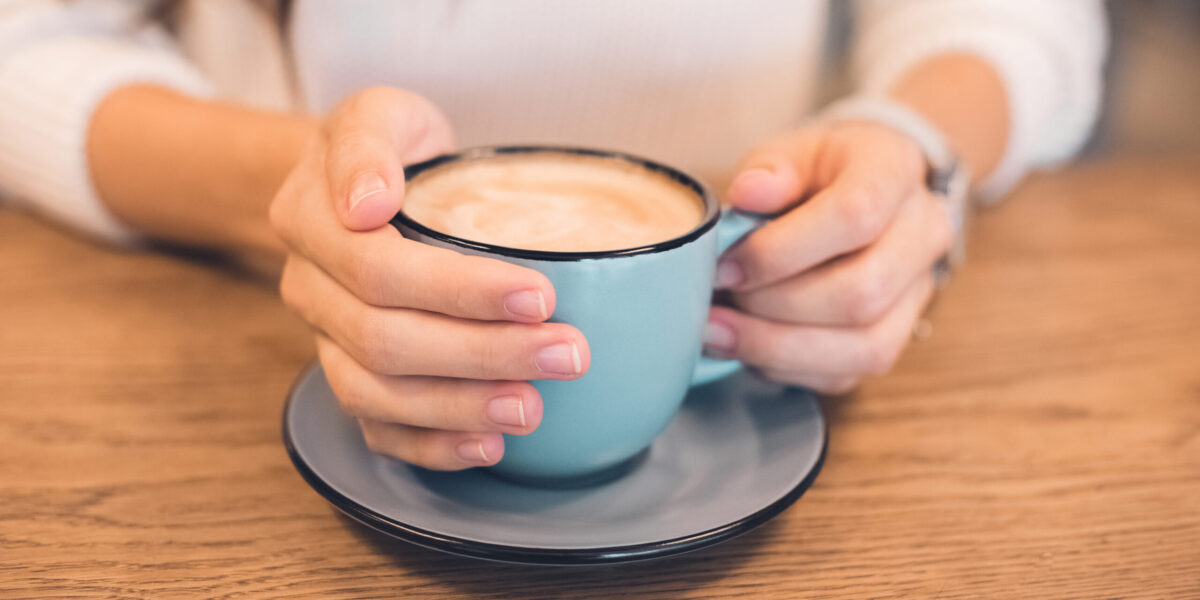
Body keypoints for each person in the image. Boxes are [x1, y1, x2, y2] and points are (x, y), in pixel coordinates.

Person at [0, 1, 1107, 470]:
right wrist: (294, 191)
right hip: (260, 352)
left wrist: (911, 149)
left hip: (786, 389)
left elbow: (1023, 15)